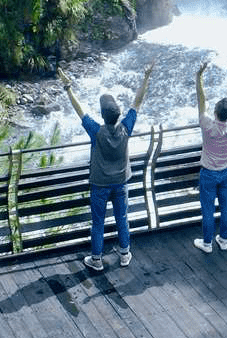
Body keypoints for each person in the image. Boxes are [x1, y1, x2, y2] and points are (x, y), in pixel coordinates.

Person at [58, 61, 156, 272]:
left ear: (102, 116)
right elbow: (137, 102)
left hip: (100, 184)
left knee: (98, 223)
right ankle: (124, 253)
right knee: (122, 218)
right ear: (118, 116)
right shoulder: (126, 128)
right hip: (121, 183)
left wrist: (68, 88)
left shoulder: (96, 131)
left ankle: (96, 259)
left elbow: (80, 111)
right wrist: (146, 77)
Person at [194, 58, 227, 253]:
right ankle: (223, 239)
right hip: (226, 173)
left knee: (208, 210)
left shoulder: (208, 126)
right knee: (226, 208)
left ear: (214, 113)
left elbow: (201, 100)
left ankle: (207, 244)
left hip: (208, 173)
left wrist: (199, 76)